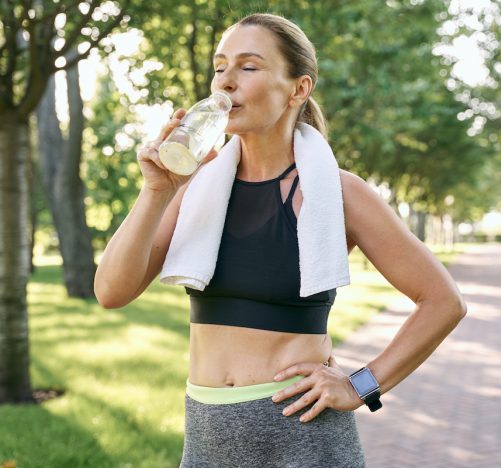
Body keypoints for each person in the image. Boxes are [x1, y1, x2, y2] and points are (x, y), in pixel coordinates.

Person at [94, 12, 466, 468]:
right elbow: (111, 292)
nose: (225, 83)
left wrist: (359, 385)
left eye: (248, 67)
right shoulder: (192, 186)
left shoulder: (339, 192)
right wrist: (156, 191)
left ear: (298, 89)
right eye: (219, 67)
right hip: (207, 440)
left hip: (303, 440)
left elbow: (443, 301)